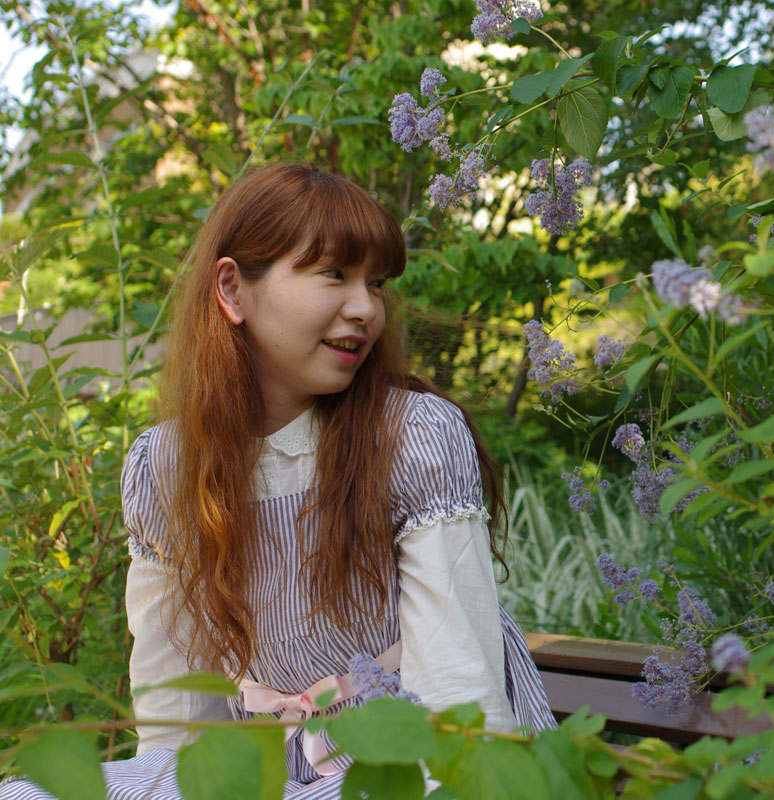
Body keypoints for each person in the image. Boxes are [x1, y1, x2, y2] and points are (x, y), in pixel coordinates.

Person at [1, 162, 556, 799]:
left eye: (376, 283)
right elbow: (177, 719)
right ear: (232, 290)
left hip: (411, 764)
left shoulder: (411, 437)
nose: (365, 309)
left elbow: (459, 702)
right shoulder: (168, 467)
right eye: (334, 274)